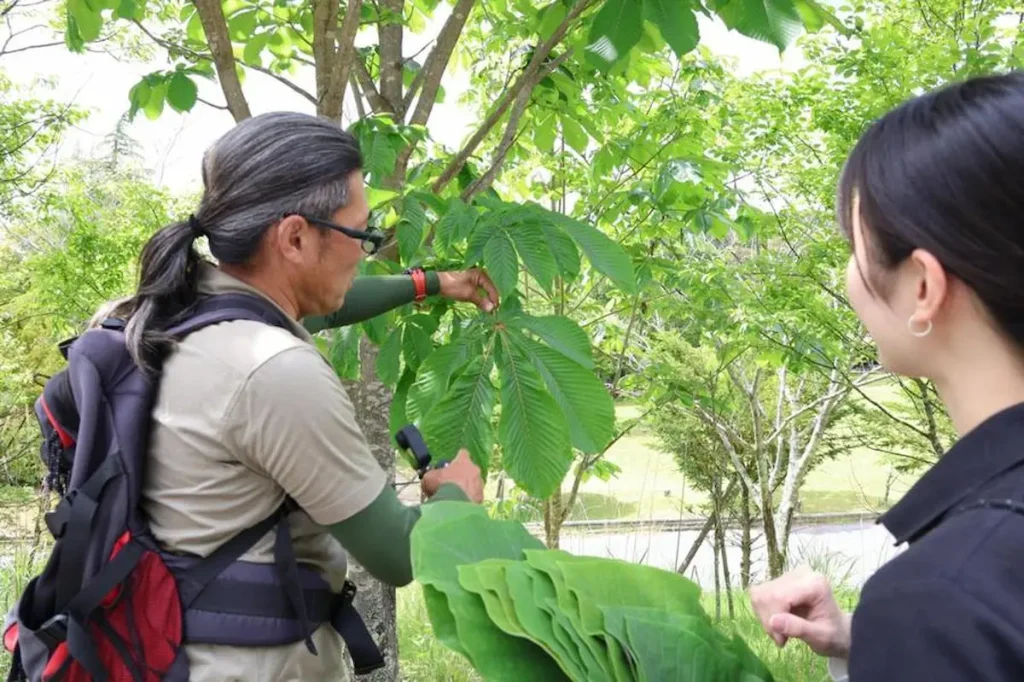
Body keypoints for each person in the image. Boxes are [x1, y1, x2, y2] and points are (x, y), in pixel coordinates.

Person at [114, 111, 495, 681]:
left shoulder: (181, 311)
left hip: (164, 649)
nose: (366, 251)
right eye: (362, 235)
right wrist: (456, 497)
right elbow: (399, 554)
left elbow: (326, 302)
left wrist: (434, 283)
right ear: (294, 237)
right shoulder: (275, 373)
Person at [749, 71, 1024, 681]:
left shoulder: (945, 597)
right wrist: (875, 645)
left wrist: (919, 631)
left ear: (923, 287)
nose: (850, 275)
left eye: (855, 246)